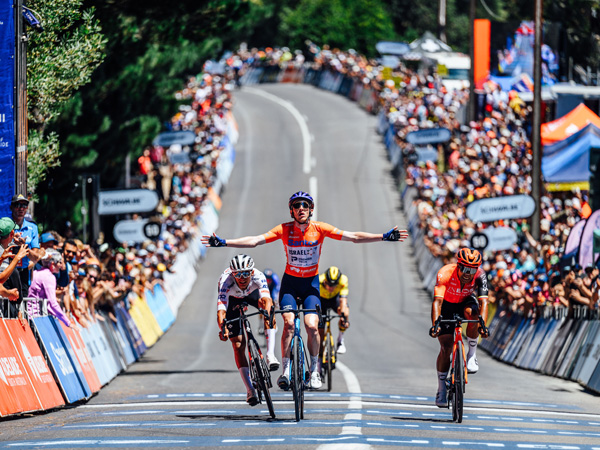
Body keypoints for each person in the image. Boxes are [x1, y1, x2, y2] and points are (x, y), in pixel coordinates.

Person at [203, 191, 408, 390]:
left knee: (311, 326)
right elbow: (255, 240)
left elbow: (353, 237)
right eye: (296, 206)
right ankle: (285, 371)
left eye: (305, 205)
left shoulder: (320, 229)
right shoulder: (284, 229)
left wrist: (384, 236)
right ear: (291, 211)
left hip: (311, 285)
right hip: (290, 284)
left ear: (311, 209)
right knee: (289, 323)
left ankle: (315, 370)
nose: (301, 208)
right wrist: (223, 242)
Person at [429, 247, 489, 408]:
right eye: (465, 268)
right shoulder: (445, 273)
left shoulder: (480, 275)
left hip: (465, 301)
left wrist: (482, 324)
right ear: (458, 265)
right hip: (447, 305)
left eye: (472, 269)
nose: (468, 273)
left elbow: (484, 302)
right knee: (446, 347)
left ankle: (471, 354)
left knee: (473, 314)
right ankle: (441, 388)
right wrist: (435, 324)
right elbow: (437, 302)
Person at [216, 254, 276, 406]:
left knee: (270, 312)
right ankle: (250, 389)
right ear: (232, 273)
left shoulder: (258, 276)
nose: (242, 278)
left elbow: (267, 300)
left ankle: (270, 355)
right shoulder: (225, 281)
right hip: (232, 300)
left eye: (246, 273)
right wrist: (222, 328)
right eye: (238, 274)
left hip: (251, 295)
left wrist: (268, 314)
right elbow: (221, 310)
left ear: (252, 272)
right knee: (237, 344)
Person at [318, 266, 350, 354]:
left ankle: (340, 340)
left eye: (334, 285)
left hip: (334, 300)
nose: (331, 288)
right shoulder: (319, 280)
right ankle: (319, 361)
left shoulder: (343, 280)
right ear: (325, 281)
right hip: (322, 301)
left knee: (345, 312)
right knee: (319, 332)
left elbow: (343, 301)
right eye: (329, 284)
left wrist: (343, 317)